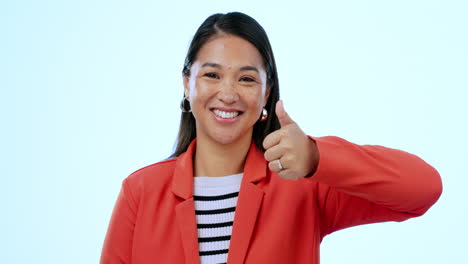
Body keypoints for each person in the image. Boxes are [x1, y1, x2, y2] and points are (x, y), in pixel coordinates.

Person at [100, 12, 442, 264]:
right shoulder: (140, 192)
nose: (228, 93)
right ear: (187, 84)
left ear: (266, 94)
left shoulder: (301, 185)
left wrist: (316, 156)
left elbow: (423, 188)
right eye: (212, 74)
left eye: (247, 79)